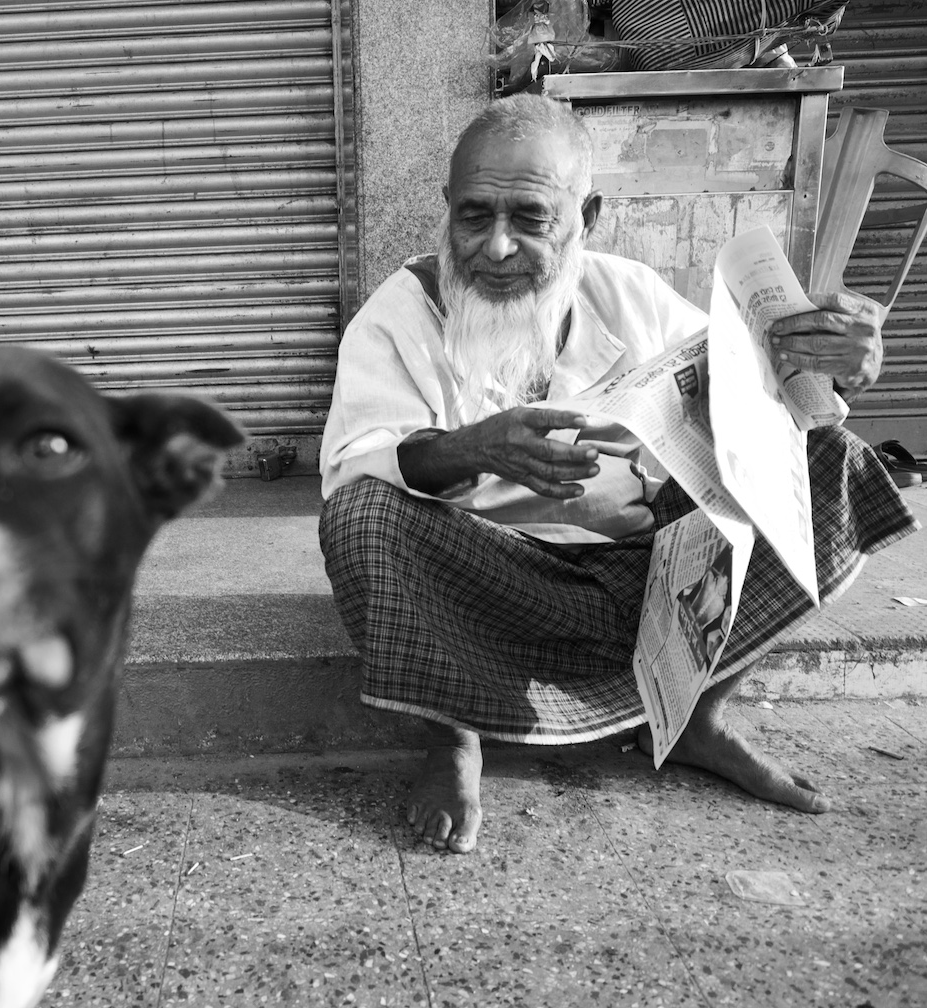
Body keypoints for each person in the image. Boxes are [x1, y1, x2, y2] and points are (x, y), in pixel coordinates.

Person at [318, 93, 919, 854]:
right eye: (474, 216)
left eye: (530, 220)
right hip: (489, 587)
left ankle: (694, 718)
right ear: (447, 207)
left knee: (832, 462)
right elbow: (353, 465)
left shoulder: (627, 294)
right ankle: (453, 737)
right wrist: (472, 448)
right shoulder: (396, 316)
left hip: (648, 574)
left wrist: (840, 369)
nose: (495, 249)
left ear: (587, 216)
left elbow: (771, 405)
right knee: (359, 517)